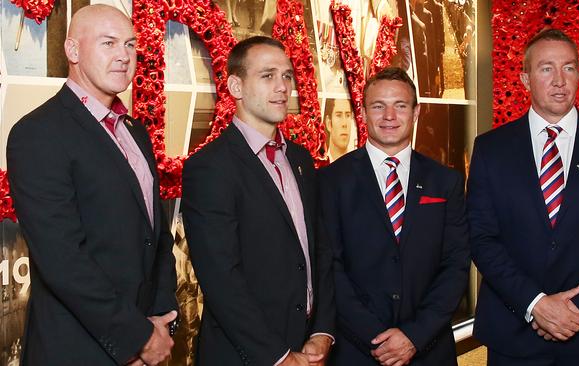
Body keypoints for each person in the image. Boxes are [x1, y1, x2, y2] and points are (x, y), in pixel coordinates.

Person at [6, 5, 178, 366]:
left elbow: (157, 237)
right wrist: (139, 338)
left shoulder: (136, 133)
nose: (123, 56)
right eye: (109, 43)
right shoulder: (38, 134)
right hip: (78, 350)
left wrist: (162, 322)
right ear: (72, 51)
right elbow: (63, 260)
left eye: (130, 45)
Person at [467, 29, 579, 365]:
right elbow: (481, 238)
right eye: (546, 68)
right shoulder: (491, 149)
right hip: (514, 336)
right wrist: (535, 304)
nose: (559, 80)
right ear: (525, 78)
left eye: (569, 68)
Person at [181, 35, 335, 366]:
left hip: (307, 347)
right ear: (235, 86)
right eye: (267, 76)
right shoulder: (209, 167)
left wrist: (323, 330)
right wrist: (277, 357)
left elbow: (319, 250)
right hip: (246, 355)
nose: (282, 87)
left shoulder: (300, 159)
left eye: (287, 75)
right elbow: (221, 278)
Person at [320, 67, 470, 365]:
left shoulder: (446, 182)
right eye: (378, 106)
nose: (389, 116)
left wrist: (414, 336)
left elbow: (455, 265)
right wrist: (377, 338)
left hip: (429, 348)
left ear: (415, 113)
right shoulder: (329, 181)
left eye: (400, 106)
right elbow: (330, 269)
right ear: (362, 113)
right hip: (358, 351)